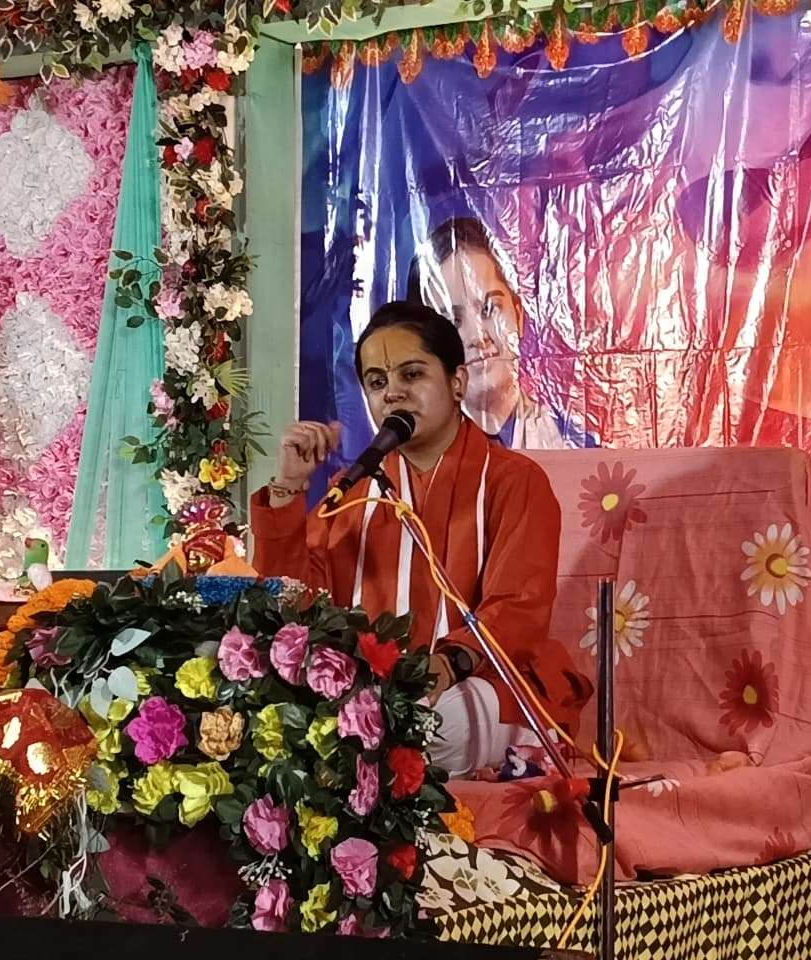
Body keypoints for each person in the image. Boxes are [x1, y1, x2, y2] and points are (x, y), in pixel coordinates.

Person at [250, 301, 591, 776]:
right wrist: (289, 486)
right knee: (270, 709)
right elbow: (294, 603)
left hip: (484, 683)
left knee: (431, 728)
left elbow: (518, 608)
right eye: (377, 382)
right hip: (372, 690)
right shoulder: (354, 492)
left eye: (412, 375)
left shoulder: (513, 481)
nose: (393, 393)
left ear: (457, 382)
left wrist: (447, 665)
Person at [407, 216, 579, 449]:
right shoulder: (409, 459)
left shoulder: (576, 446)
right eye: (454, 321)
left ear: (518, 314)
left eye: (489, 309)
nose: (478, 337)